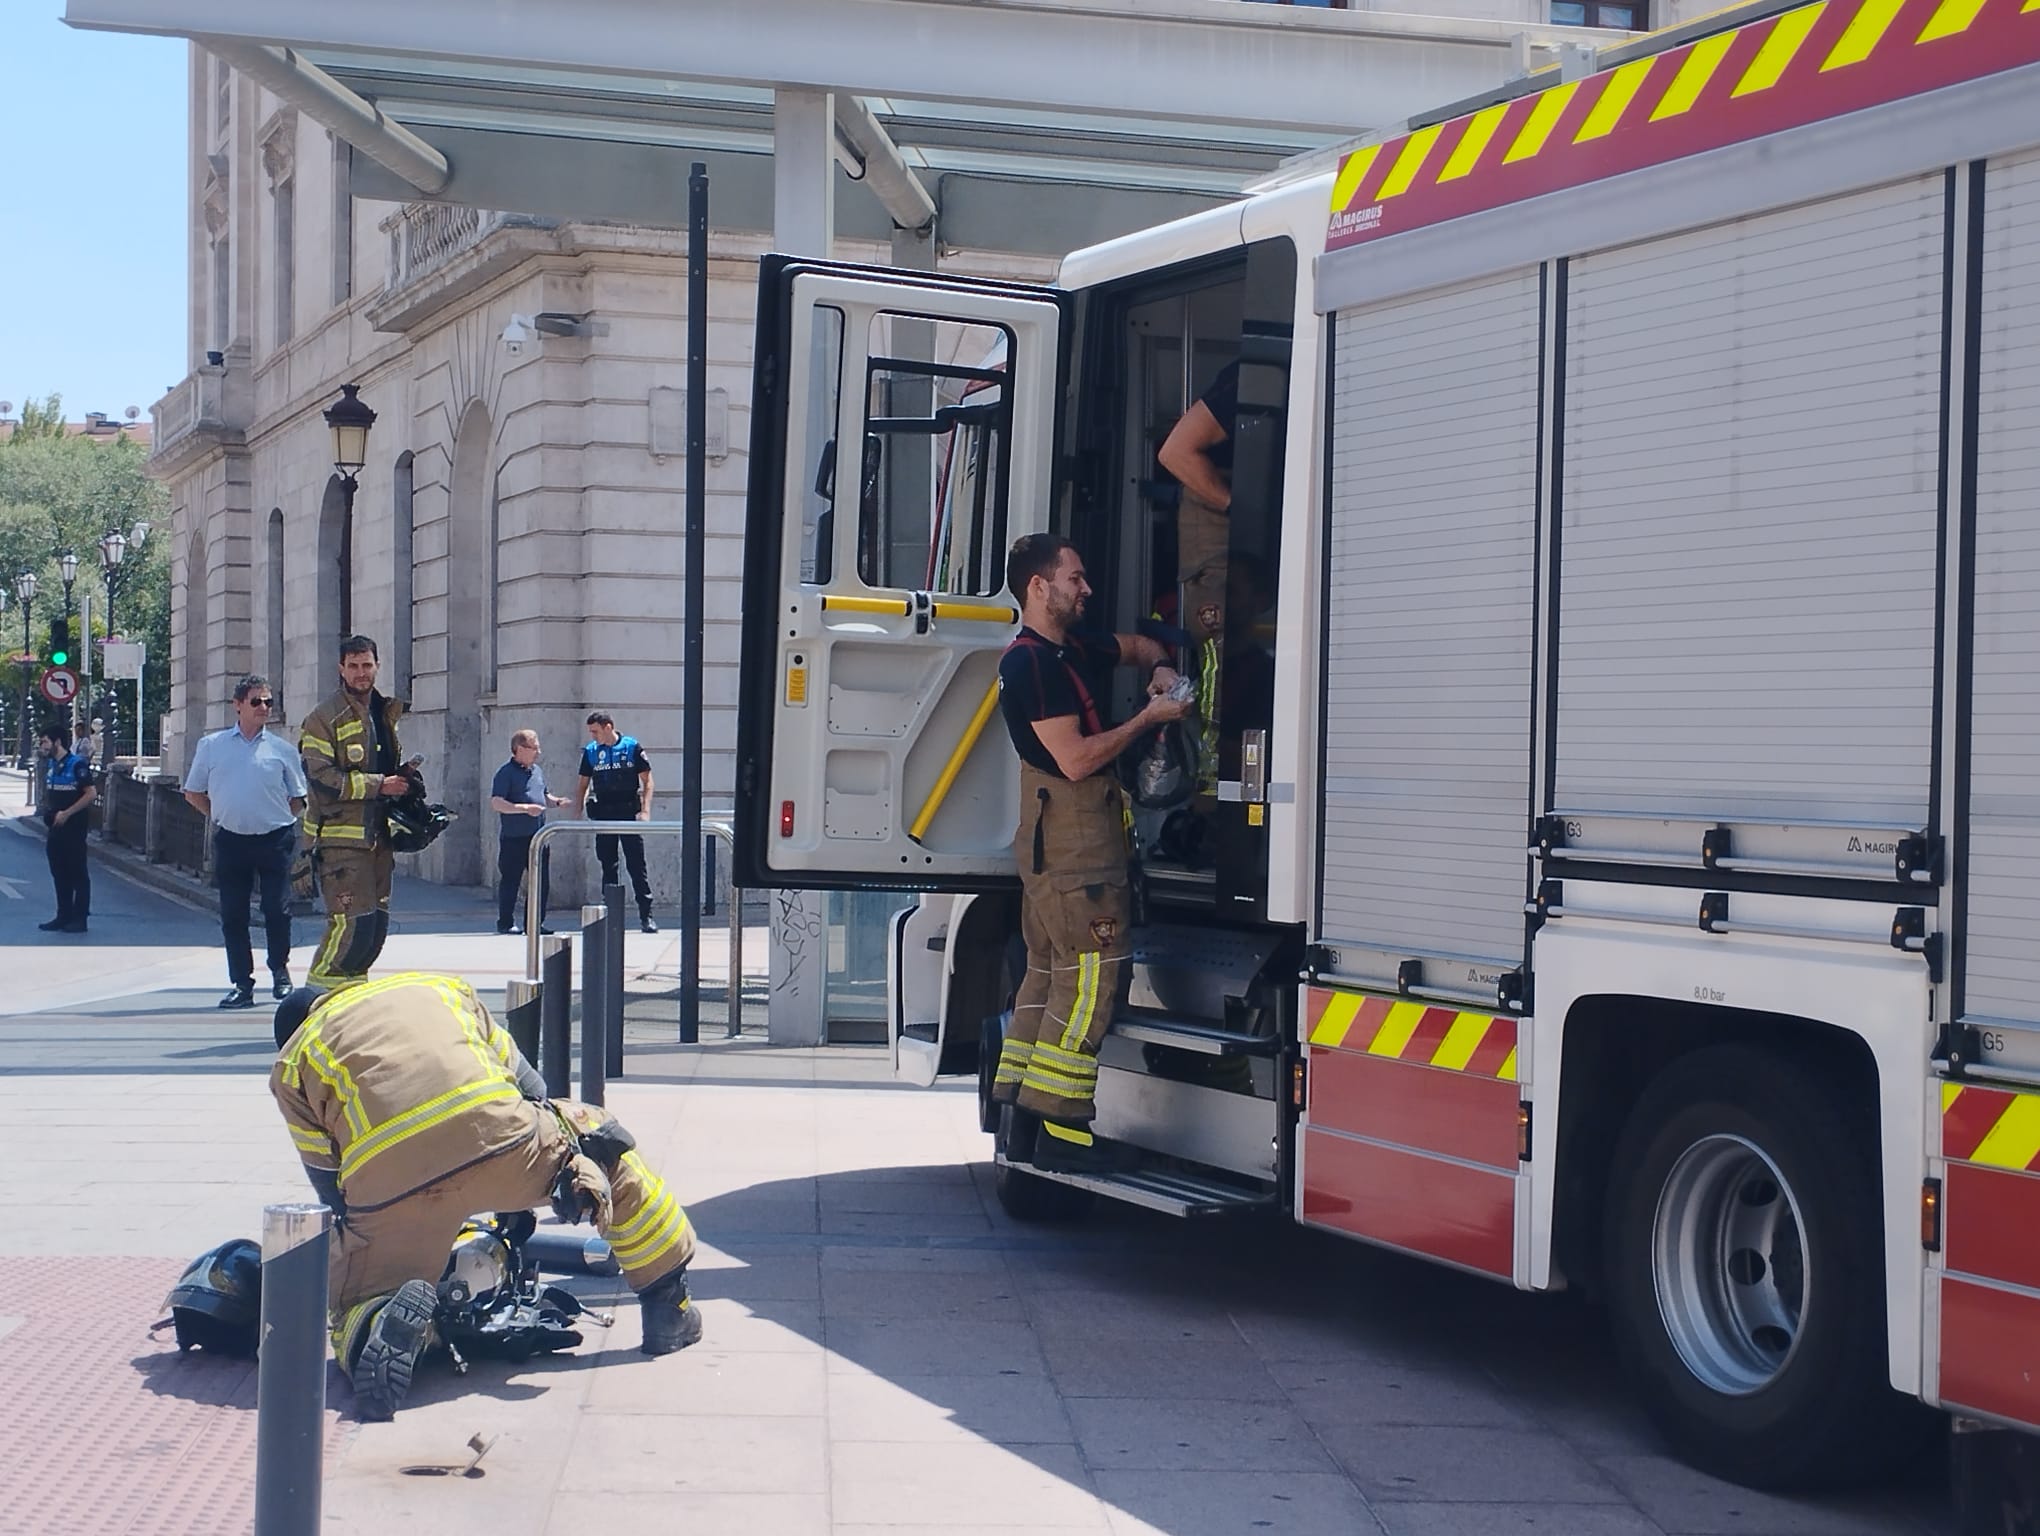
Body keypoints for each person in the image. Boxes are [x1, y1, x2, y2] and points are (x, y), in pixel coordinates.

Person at [269, 973, 701, 1420]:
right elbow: (531, 1087)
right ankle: (669, 1307)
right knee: (603, 1145)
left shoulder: (290, 1064)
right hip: (503, 1143)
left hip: (391, 1187)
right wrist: (545, 1168)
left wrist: (371, 1242)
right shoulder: (438, 987)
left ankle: (378, 1323)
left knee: (356, 1297)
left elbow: (328, 1184)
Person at [990, 533, 1190, 1171]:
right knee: (1088, 986)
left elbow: (1135, 645)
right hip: (1076, 852)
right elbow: (1075, 760)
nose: (1087, 589)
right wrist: (1149, 719)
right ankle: (1059, 1131)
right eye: (1075, 579)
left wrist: (1158, 663)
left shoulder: (1066, 648)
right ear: (1039, 589)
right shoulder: (1033, 665)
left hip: (1060, 849)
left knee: (1045, 979)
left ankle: (1018, 1126)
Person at [185, 675, 309, 1007]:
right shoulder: (213, 746)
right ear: (238, 705)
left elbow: (299, 797)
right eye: (256, 702)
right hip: (232, 840)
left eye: (268, 702)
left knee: (277, 909)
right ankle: (242, 983)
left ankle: (280, 972)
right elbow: (193, 791)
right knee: (233, 914)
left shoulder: (281, 749)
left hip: (274, 839)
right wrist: (220, 814)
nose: (264, 708)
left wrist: (276, 816)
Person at [298, 636, 410, 989]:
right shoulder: (323, 718)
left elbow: (385, 767)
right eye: (354, 666)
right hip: (341, 842)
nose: (361, 673)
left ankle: (349, 998)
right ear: (341, 669)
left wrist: (406, 782)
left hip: (379, 838)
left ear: (377, 665)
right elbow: (320, 778)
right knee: (349, 925)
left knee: (373, 928)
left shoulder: (384, 712)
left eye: (367, 665)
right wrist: (380, 784)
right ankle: (313, 999)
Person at [1158, 359, 1239, 647]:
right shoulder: (1246, 377)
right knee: (1221, 638)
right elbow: (1175, 453)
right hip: (1216, 521)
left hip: (1267, 526)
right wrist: (1239, 510)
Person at [576, 711, 656, 933]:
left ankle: (646, 916)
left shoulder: (631, 747)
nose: (593, 736)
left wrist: (646, 810)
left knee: (637, 866)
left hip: (628, 813)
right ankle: (610, 916)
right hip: (604, 815)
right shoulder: (592, 752)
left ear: (608, 727)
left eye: (595, 731)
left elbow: (648, 782)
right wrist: (578, 809)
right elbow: (583, 784)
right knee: (608, 866)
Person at [490, 728, 568, 935]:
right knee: (511, 881)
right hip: (514, 838)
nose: (538, 752)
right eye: (534, 748)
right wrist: (523, 809)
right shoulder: (505, 773)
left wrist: (557, 802)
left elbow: (543, 795)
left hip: (539, 837)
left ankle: (534, 923)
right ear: (520, 749)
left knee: (540, 882)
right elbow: (497, 802)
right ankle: (505, 923)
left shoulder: (537, 771)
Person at [38, 725, 96, 934]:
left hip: (74, 828)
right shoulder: (53, 765)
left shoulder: (77, 764)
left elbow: (90, 793)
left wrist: (68, 813)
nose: (41, 746)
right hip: (55, 829)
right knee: (59, 872)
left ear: (57, 742)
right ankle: (63, 915)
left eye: (44, 741)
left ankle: (79, 919)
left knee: (77, 873)